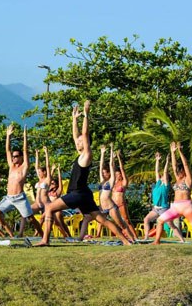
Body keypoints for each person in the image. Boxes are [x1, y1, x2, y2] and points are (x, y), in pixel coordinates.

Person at [34, 101, 131, 246]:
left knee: (49, 207)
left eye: (80, 141)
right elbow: (76, 135)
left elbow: (84, 134)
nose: (77, 141)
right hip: (84, 194)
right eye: (78, 141)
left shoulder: (87, 154)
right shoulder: (80, 155)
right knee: (101, 219)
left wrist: (86, 114)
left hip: (78, 193)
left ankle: (45, 240)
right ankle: (126, 241)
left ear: (86, 143)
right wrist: (74, 119)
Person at [0, 125, 44, 236]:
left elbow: (25, 149)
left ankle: (44, 236)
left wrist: (25, 135)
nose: (14, 157)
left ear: (21, 157)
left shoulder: (24, 166)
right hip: (9, 197)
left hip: (20, 197)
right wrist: (8, 136)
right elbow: (7, 150)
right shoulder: (11, 166)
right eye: (13, 156)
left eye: (16, 156)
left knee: (30, 218)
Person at [152, 142, 192, 247]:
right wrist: (172, 152)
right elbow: (174, 166)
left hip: (187, 206)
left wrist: (180, 151)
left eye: (180, 171)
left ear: (183, 171)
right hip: (175, 207)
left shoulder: (188, 179)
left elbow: (185, 164)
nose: (178, 173)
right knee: (160, 220)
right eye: (177, 172)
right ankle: (157, 241)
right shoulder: (178, 179)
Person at [80, 143, 135, 240]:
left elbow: (111, 165)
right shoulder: (102, 181)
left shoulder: (111, 181)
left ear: (109, 174)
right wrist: (102, 153)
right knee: (86, 219)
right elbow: (100, 167)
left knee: (122, 224)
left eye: (105, 173)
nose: (102, 174)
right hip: (101, 209)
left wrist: (111, 151)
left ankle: (132, 240)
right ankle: (80, 238)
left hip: (110, 208)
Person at [142, 152, 184, 242]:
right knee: (146, 219)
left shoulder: (166, 185)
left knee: (171, 225)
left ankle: (182, 240)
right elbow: (156, 171)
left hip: (164, 209)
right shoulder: (158, 184)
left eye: (164, 177)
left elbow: (165, 172)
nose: (161, 177)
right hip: (156, 209)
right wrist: (157, 160)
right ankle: (146, 237)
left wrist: (167, 161)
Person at [112, 149, 139, 241]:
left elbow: (122, 169)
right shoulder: (113, 183)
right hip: (113, 205)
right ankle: (123, 236)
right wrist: (112, 158)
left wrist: (119, 157)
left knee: (127, 220)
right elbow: (111, 169)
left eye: (119, 174)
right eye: (116, 174)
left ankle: (135, 237)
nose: (118, 176)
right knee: (118, 222)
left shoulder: (123, 182)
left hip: (121, 204)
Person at [39, 164, 71, 238]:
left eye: (53, 183)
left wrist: (59, 171)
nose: (51, 184)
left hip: (57, 209)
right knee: (42, 219)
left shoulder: (58, 191)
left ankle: (67, 236)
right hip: (49, 208)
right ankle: (37, 234)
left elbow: (60, 182)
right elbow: (49, 179)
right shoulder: (48, 191)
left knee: (59, 223)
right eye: (51, 183)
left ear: (56, 185)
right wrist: (52, 170)